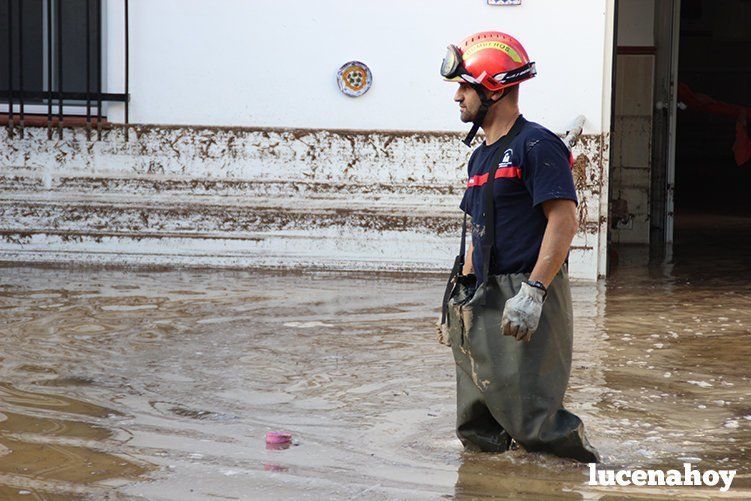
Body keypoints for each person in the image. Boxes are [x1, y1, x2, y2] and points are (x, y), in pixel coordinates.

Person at [438, 31, 599, 463]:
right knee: (478, 416)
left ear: (493, 88)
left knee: (534, 419)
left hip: (526, 290)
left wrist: (534, 292)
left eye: (464, 86)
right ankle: (487, 485)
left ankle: (573, 479)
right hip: (485, 292)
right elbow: (478, 228)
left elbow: (564, 220)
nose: (457, 97)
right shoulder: (481, 156)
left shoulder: (536, 145)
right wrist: (460, 299)